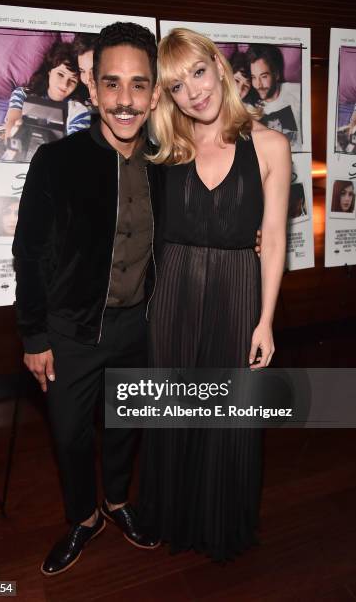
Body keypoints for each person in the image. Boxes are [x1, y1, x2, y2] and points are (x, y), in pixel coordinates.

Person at [12, 22, 163, 576]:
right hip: (71, 333)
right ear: (92, 88)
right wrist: (34, 335)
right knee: (71, 435)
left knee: (126, 426)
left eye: (139, 85)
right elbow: (28, 253)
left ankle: (118, 503)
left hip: (137, 328)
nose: (126, 100)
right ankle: (83, 517)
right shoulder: (57, 162)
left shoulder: (168, 166)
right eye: (113, 84)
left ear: (154, 92)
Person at [138, 28, 291, 562]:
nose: (193, 92)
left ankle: (219, 522)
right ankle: (172, 515)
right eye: (176, 86)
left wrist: (266, 320)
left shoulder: (271, 145)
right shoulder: (165, 150)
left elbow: (273, 239)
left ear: (220, 68)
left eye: (197, 73)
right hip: (174, 293)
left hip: (236, 289)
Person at [5, 41, 90, 147]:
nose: (64, 85)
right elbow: (11, 129)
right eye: (60, 74)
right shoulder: (22, 94)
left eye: (72, 80)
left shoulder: (79, 110)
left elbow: (74, 148)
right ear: (49, 71)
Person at [246, 44, 302, 151]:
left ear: (276, 74)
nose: (258, 85)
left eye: (264, 77)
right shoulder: (250, 109)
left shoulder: (298, 92)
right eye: (254, 77)